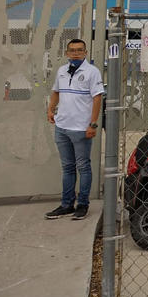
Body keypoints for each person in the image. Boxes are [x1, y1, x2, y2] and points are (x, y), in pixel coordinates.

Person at [45, 38, 105, 220]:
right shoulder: (62, 71)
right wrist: (50, 109)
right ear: (67, 53)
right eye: (72, 50)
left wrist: (93, 124)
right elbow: (56, 92)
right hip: (62, 127)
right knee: (68, 167)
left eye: (79, 50)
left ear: (85, 53)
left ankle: (83, 205)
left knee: (83, 167)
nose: (76, 53)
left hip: (81, 129)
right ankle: (66, 205)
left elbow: (97, 98)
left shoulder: (92, 72)